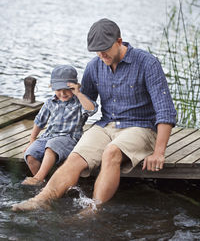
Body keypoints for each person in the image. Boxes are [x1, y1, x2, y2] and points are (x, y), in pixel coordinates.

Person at [12, 18, 176, 211]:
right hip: (106, 125)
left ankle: (92, 211)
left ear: (119, 41)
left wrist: (158, 152)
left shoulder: (147, 63)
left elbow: (165, 110)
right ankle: (41, 200)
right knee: (75, 157)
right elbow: (84, 105)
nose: (101, 55)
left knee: (111, 152)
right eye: (96, 51)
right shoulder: (94, 66)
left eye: (105, 48)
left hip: (140, 127)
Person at [21, 64, 98, 185]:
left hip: (69, 139)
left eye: (66, 89)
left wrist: (78, 93)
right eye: (58, 90)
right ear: (52, 87)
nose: (62, 93)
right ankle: (45, 185)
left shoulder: (79, 102)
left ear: (74, 87)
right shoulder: (50, 103)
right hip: (48, 136)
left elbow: (92, 110)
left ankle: (38, 178)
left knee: (52, 145)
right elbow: (39, 121)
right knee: (31, 153)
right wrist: (32, 139)